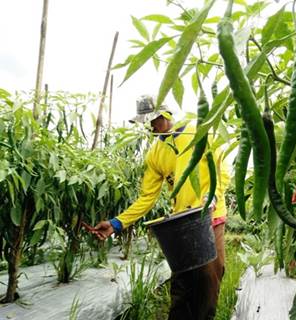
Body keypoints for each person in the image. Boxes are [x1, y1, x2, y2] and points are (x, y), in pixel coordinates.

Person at [94, 95, 230, 320]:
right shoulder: (155, 153)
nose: (151, 126)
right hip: (181, 222)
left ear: (165, 114)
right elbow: (147, 197)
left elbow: (222, 166)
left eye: (154, 120)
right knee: (182, 282)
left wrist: (213, 195)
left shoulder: (199, 130)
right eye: (147, 122)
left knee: (208, 278)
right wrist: (117, 223)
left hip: (209, 216)